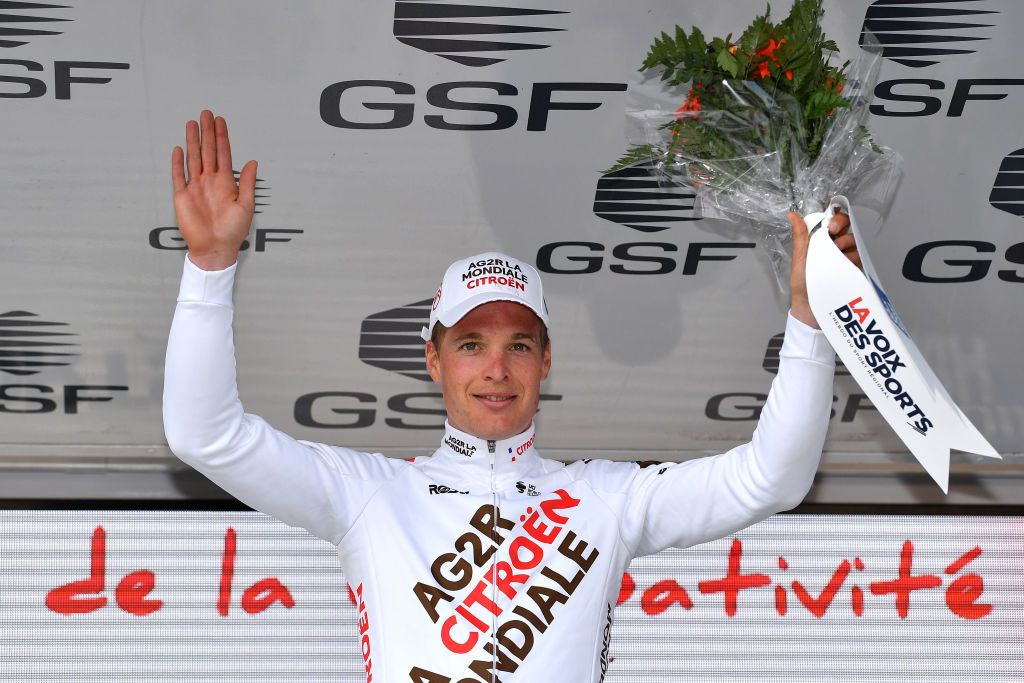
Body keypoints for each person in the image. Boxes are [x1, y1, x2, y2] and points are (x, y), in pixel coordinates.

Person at [164, 110, 858, 682]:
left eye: (518, 344)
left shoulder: (603, 500)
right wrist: (210, 265)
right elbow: (206, 436)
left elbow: (773, 477)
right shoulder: (369, 496)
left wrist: (809, 318)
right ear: (433, 360)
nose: (496, 368)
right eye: (471, 344)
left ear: (546, 360)